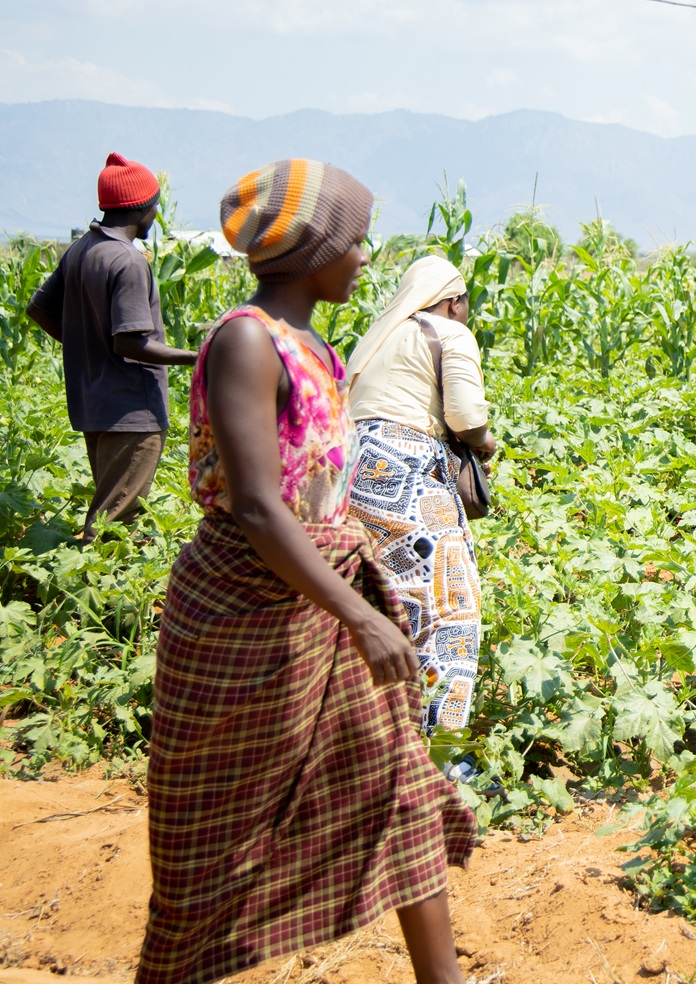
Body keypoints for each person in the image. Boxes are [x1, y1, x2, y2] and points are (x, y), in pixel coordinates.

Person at [139, 160, 474, 984]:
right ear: (313, 246)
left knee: (398, 785)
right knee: (212, 833)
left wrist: (361, 599)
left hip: (321, 592)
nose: (366, 255)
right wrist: (360, 617)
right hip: (248, 606)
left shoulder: (315, 343)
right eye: (356, 238)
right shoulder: (246, 339)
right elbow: (256, 506)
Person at [346, 255, 497, 736]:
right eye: (466, 303)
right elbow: (467, 417)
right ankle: (442, 744)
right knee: (452, 607)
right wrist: (486, 446)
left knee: (386, 598)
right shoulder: (449, 332)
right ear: (453, 302)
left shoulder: (379, 337)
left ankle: (377, 734)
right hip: (407, 469)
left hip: (351, 468)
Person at [26, 153, 198, 537]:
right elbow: (130, 343)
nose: (156, 213)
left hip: (95, 404)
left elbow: (38, 308)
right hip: (131, 409)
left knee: (111, 510)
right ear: (144, 207)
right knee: (112, 522)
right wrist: (196, 357)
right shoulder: (127, 261)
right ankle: (82, 588)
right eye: (156, 204)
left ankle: (97, 586)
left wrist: (84, 345)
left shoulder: (82, 249)